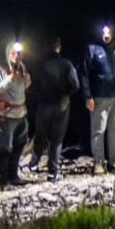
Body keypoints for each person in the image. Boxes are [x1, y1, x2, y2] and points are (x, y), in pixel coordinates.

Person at [81, 25, 115, 174]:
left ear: (113, 32)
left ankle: (114, 162)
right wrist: (87, 96)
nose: (106, 34)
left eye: (109, 32)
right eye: (104, 32)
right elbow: (84, 73)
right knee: (98, 130)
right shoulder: (92, 49)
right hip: (99, 97)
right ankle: (98, 163)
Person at [28, 37, 79, 181]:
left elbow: (32, 84)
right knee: (56, 139)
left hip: (43, 104)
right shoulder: (66, 64)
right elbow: (75, 84)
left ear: (46, 48)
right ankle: (52, 172)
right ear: (59, 48)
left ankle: (33, 164)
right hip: (61, 105)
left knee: (40, 135)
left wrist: (39, 96)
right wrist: (66, 95)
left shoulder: (39, 64)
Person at [0, 42, 32, 190]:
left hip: (21, 114)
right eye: (13, 53)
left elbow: (21, 89)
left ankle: (14, 176)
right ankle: (3, 181)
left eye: (18, 53)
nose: (16, 55)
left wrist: (27, 81)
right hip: (6, 117)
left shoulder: (22, 67)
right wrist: (7, 81)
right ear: (7, 54)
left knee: (19, 146)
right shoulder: (1, 70)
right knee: (5, 149)